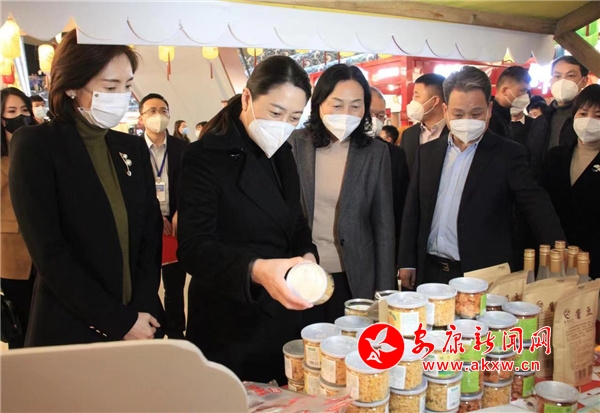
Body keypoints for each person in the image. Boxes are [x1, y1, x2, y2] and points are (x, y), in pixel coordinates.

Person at [9, 30, 165, 347]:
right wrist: (118, 321)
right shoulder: (37, 145)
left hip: (139, 322)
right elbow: (49, 253)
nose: (121, 96)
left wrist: (141, 309)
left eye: (127, 86)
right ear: (72, 86)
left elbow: (149, 235)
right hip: (72, 326)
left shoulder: (131, 147)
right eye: (110, 87)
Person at [177, 56, 318, 384]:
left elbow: (295, 220)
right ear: (246, 98)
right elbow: (195, 248)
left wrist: (308, 255)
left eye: (294, 117)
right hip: (229, 317)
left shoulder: (283, 153)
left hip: (280, 311)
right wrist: (256, 270)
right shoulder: (204, 156)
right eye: (275, 113)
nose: (283, 125)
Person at [398, 66, 565, 288]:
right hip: (430, 270)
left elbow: (536, 206)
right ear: (445, 110)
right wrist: (407, 261)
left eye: (476, 114)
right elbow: (413, 210)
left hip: (482, 273)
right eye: (458, 114)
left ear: (489, 109)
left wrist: (560, 253)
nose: (467, 120)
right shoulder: (427, 153)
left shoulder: (508, 154)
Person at [290, 64, 396, 323]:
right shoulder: (294, 144)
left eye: (355, 106)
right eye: (337, 105)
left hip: (354, 276)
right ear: (319, 103)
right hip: (302, 273)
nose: (346, 114)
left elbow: (383, 226)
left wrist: (385, 293)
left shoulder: (375, 153)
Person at [138, 93, 188, 339]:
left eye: (163, 110)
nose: (158, 115)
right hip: (146, 225)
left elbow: (192, 185)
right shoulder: (132, 149)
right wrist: (155, 215)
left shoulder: (182, 148)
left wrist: (180, 212)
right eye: (151, 111)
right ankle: (154, 331)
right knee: (147, 284)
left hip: (176, 226)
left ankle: (176, 332)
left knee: (175, 286)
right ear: (141, 118)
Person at [541, 84, 600, 279]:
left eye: (598, 116)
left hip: (594, 261)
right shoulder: (555, 157)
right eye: (583, 113)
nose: (589, 121)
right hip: (554, 256)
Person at [1, 87, 35, 349]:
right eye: (11, 111)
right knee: (20, 325)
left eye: (24, 110)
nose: (20, 116)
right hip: (11, 253)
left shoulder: (40, 149)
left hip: (46, 249)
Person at [528, 56, 589, 178]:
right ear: (551, 80)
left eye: (570, 76)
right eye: (557, 76)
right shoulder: (541, 120)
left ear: (584, 81)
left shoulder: (589, 121)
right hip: (540, 185)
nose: (562, 81)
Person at [370, 86, 409, 260]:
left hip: (383, 246)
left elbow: (401, 205)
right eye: (369, 114)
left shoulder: (394, 154)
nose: (374, 120)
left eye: (380, 116)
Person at [401, 73, 448, 173]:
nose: (413, 102)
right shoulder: (408, 135)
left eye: (416, 96)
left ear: (434, 101)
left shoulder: (455, 133)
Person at [488, 66, 532, 146]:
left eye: (526, 91)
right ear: (505, 90)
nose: (526, 95)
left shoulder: (505, 115)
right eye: (522, 90)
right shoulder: (489, 117)